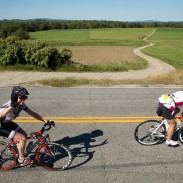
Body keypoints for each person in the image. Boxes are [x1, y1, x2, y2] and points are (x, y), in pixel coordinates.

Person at [0, 86, 54, 166]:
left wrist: (45, 120)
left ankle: (15, 150)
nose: (23, 99)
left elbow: (32, 113)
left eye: (25, 97)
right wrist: (12, 106)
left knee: (24, 135)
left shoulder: (22, 105)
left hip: (6, 122)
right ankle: (21, 159)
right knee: (22, 138)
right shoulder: (10, 105)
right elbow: (1, 115)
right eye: (21, 97)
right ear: (14, 96)